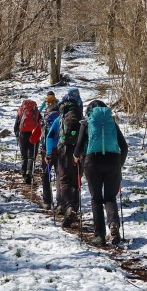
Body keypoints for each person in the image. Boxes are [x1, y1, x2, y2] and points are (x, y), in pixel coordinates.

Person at [73, 99, 128, 245]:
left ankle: (100, 236)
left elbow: (78, 148)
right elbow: (124, 147)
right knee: (110, 197)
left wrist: (75, 157)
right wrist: (119, 165)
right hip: (113, 161)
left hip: (93, 162)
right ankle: (113, 225)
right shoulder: (112, 123)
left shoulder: (86, 123)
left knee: (96, 199)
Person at [55, 89, 84, 227]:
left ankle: (69, 208)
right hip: (78, 149)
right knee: (75, 179)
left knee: (64, 179)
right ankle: (74, 209)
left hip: (64, 148)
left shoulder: (63, 109)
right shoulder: (78, 109)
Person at [38, 92, 61, 210]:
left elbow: (43, 134)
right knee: (60, 175)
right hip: (61, 150)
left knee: (46, 175)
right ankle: (61, 203)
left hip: (46, 150)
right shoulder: (61, 117)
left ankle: (47, 201)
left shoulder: (45, 117)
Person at [13, 99, 41, 183]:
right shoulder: (36, 111)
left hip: (23, 134)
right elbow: (40, 123)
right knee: (31, 156)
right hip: (33, 134)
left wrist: (17, 134)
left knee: (24, 156)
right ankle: (30, 172)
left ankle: (23, 172)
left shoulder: (21, 110)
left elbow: (16, 125)